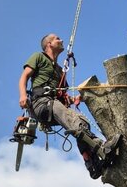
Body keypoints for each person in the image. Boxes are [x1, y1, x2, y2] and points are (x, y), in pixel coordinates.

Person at [18, 33, 121, 178]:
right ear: (49, 44)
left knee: (82, 122)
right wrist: (23, 95)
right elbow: (24, 76)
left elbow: (64, 97)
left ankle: (92, 163)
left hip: (55, 106)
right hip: (41, 104)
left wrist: (76, 99)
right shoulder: (38, 57)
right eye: (57, 39)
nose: (61, 40)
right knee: (72, 119)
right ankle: (101, 147)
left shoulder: (60, 71)